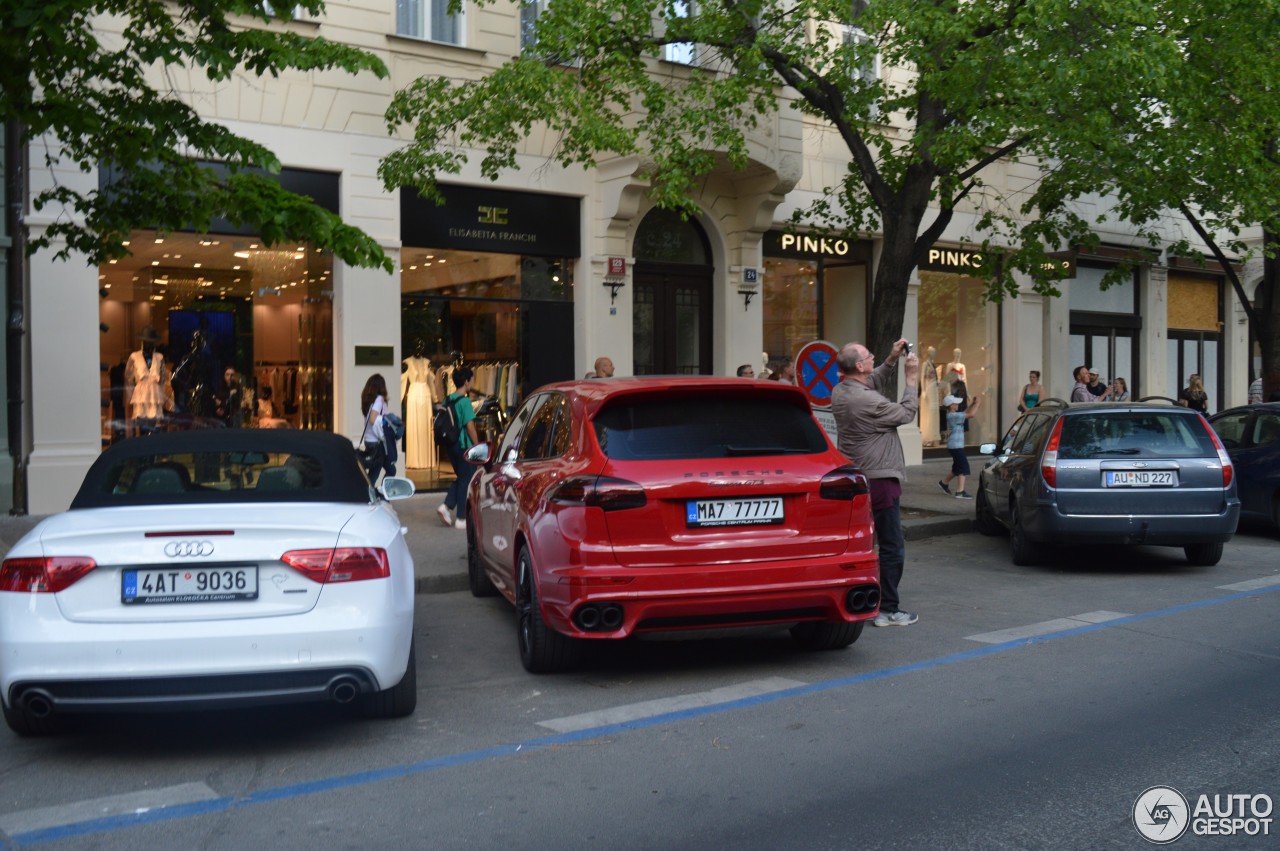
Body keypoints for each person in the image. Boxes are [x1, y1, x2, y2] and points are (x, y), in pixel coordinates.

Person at [831, 338, 919, 627]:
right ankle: (888, 609)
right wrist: (911, 379)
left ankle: (863, 600)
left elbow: (872, 382)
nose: (873, 358)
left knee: (865, 543)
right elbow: (906, 412)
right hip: (880, 478)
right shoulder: (866, 400)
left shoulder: (842, 390)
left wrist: (891, 359)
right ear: (858, 365)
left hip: (859, 475)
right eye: (869, 356)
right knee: (892, 545)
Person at [437, 365, 479, 531]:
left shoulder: (448, 399)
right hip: (463, 446)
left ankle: (446, 506)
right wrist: (477, 445)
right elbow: (470, 426)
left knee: (463, 477)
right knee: (466, 480)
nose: (473, 382)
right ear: (467, 381)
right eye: (472, 379)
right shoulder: (465, 401)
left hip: (450, 445)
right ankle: (461, 517)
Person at [938, 393, 981, 499]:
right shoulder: (953, 415)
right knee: (963, 467)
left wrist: (972, 404)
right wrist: (978, 404)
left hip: (954, 445)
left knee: (957, 467)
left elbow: (965, 412)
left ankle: (944, 483)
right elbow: (971, 415)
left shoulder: (953, 414)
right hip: (956, 446)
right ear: (951, 405)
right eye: (956, 403)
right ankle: (960, 492)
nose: (958, 405)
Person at [358, 374, 391, 482]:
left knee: (390, 469)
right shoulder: (379, 399)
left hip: (369, 441)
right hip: (377, 442)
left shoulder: (368, 400)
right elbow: (373, 419)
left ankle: (378, 493)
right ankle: (370, 495)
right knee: (375, 473)